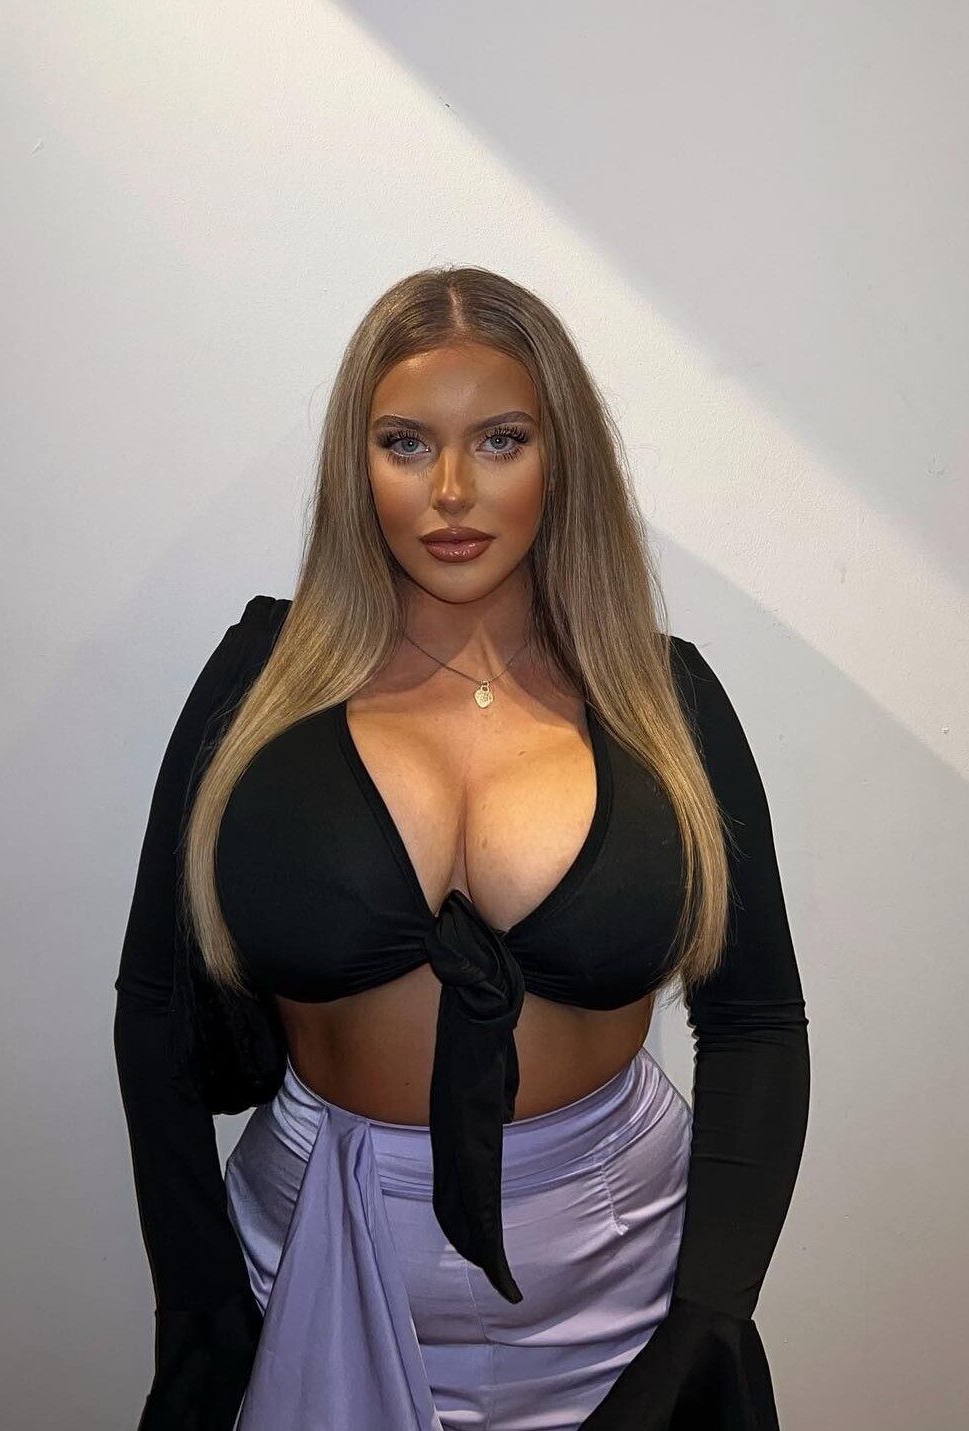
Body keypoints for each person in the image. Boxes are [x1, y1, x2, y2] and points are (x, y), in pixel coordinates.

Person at [113, 266, 810, 1430]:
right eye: (404, 443)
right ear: (357, 467)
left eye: (499, 441)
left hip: (618, 1280)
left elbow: (756, 1023)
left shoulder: (665, 704)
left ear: (560, 458)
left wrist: (709, 1316)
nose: (450, 491)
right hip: (310, 1259)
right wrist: (195, 1299)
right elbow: (154, 1003)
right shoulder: (257, 689)